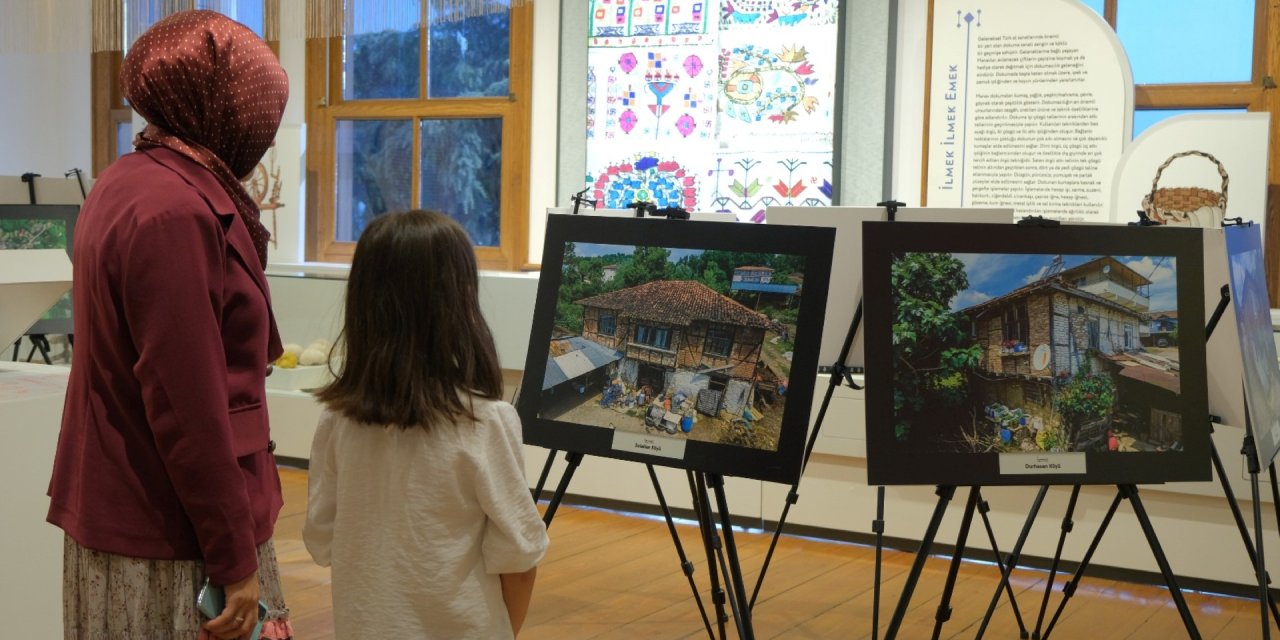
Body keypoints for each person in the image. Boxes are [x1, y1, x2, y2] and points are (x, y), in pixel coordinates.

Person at [46, 10, 292, 640]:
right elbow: (186, 404)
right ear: (216, 107)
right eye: (259, 112)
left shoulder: (126, 181)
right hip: (170, 529)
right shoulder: (176, 211)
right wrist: (234, 556)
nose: (262, 131)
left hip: (135, 505)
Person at [304, 210, 549, 639]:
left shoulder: (337, 421)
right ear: (460, 301)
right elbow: (520, 558)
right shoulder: (486, 422)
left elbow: (321, 538)